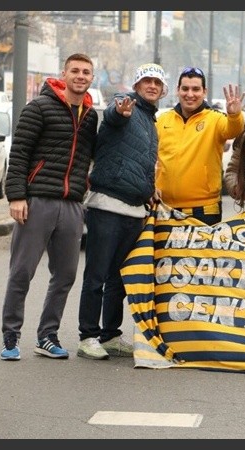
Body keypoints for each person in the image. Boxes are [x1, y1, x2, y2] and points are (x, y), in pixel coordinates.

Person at [0, 53, 99, 361]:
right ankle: (10, 337)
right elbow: (18, 155)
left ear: (91, 78)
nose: (80, 76)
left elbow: (89, 157)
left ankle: (47, 335)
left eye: (86, 72)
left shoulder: (90, 116)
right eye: (75, 71)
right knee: (21, 272)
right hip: (37, 201)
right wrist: (16, 196)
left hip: (71, 206)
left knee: (66, 274)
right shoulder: (39, 107)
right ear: (63, 74)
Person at [76, 63, 167, 361]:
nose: (152, 86)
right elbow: (113, 117)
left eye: (157, 82)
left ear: (162, 89)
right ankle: (88, 335)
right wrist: (120, 111)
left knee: (118, 278)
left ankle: (110, 334)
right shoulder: (125, 105)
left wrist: (150, 187)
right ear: (137, 86)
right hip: (108, 205)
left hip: (134, 209)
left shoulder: (151, 121)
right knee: (97, 275)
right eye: (146, 81)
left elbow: (138, 161)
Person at [155, 66, 245, 226]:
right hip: (164, 207)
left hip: (205, 209)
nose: (190, 94)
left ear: (204, 92)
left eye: (196, 89)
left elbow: (234, 130)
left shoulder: (215, 119)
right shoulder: (163, 120)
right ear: (177, 90)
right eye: (185, 89)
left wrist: (234, 115)